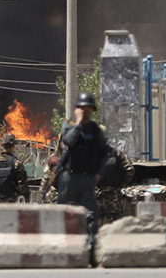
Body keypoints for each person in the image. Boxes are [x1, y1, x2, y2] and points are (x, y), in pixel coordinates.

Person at [57, 92, 108, 266]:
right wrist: (78, 124)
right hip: (69, 178)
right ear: (77, 109)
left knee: (91, 216)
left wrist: (99, 172)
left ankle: (91, 252)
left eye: (88, 108)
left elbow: (104, 153)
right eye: (82, 108)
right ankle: (64, 251)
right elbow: (69, 142)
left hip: (87, 180)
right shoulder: (68, 125)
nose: (85, 111)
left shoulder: (96, 129)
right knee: (65, 214)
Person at [0, 133, 30, 202]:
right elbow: (23, 186)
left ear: (2, 145)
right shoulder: (16, 163)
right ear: (14, 145)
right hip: (10, 202)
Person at [96, 144, 134, 226]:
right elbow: (130, 170)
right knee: (116, 229)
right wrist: (120, 185)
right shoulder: (116, 153)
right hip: (112, 197)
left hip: (94, 198)